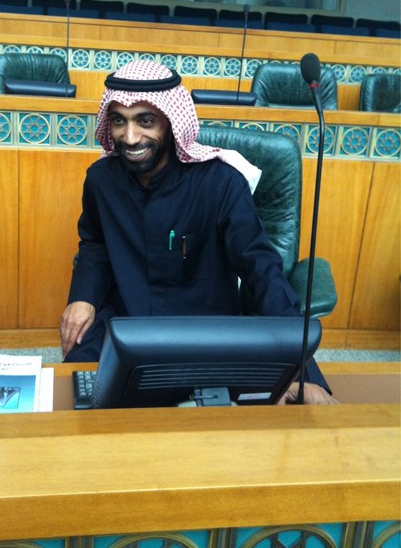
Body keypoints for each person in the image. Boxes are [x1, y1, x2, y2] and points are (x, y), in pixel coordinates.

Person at [60, 59, 338, 405]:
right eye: (119, 121)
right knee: (77, 395)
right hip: (125, 322)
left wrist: (304, 370)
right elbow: (95, 244)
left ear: (171, 121)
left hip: (205, 332)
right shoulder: (101, 180)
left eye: (145, 121)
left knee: (239, 412)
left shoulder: (221, 183)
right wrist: (82, 297)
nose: (129, 138)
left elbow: (261, 270)